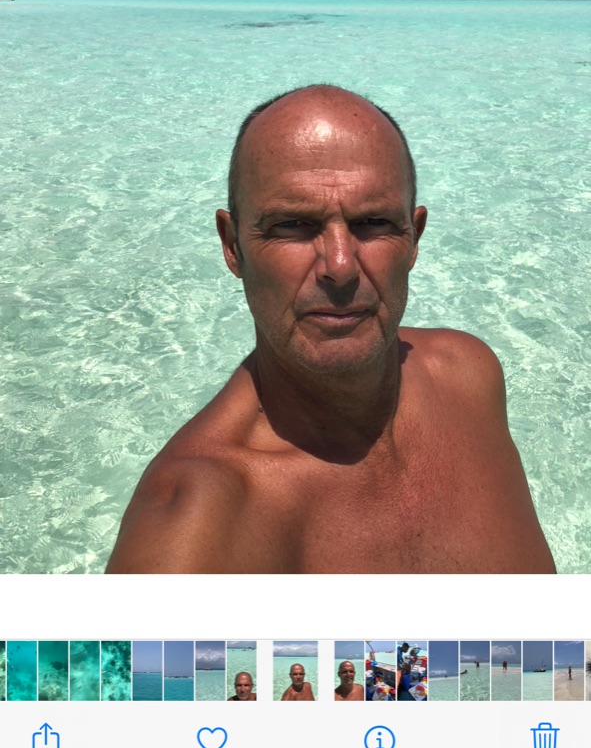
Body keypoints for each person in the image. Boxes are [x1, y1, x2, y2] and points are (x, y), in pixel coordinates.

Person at [106, 83, 556, 575]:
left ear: (414, 238)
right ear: (232, 246)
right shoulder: (196, 527)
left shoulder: (468, 375)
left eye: (373, 222)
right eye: (293, 225)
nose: (340, 266)